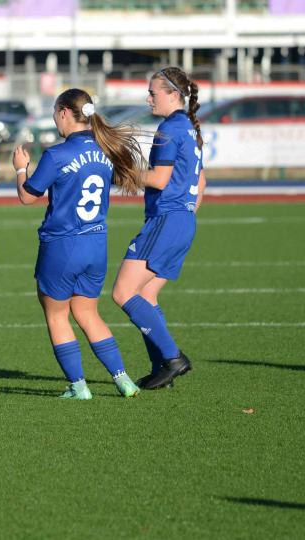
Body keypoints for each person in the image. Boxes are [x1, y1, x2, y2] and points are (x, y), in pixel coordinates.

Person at [12, 89, 146, 400]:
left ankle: (79, 386)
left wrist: (20, 168)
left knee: (57, 315)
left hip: (62, 245)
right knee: (88, 314)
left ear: (63, 112)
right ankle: (123, 380)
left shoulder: (57, 154)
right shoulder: (105, 150)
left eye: (55, 112)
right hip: (96, 245)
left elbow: (27, 196)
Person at [110, 66, 206, 390]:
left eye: (153, 93)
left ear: (173, 95)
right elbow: (201, 183)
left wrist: (123, 173)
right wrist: (184, 213)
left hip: (166, 221)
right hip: (183, 221)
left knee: (123, 293)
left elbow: (159, 179)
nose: (148, 98)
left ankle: (173, 357)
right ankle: (162, 367)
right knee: (146, 294)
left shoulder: (169, 129)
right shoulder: (189, 128)